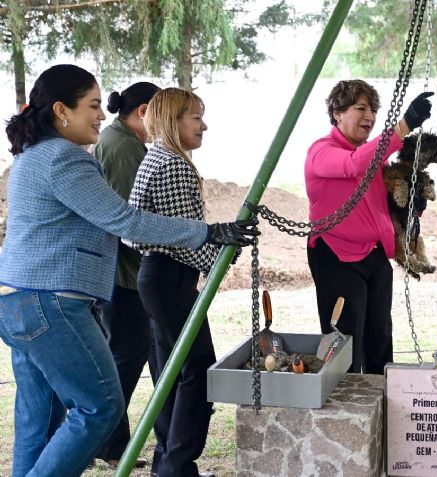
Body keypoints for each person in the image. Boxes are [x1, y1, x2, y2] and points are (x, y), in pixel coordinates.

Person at [0, 65, 257, 477]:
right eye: (93, 106)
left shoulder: (30, 156)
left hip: (17, 301)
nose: (102, 114)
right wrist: (207, 233)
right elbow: (124, 220)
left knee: (38, 418)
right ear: (62, 111)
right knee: (100, 408)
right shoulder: (65, 159)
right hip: (53, 304)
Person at [127, 87, 236, 477]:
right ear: (172, 121)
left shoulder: (156, 157)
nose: (203, 126)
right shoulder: (173, 165)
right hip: (170, 275)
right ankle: (178, 464)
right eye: (196, 117)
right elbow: (183, 238)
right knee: (196, 368)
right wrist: (222, 253)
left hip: (157, 275)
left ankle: (168, 462)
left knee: (169, 372)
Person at [305, 80, 432, 374]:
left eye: (373, 110)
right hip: (336, 257)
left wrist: (412, 205)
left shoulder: (372, 156)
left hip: (374, 258)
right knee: (345, 348)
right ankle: (346, 403)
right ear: (337, 113)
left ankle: (382, 398)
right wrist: (403, 126)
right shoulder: (320, 151)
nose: (370, 117)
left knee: (380, 342)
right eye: (361, 108)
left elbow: (381, 206)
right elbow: (352, 164)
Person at [91, 81, 160, 470]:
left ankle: (113, 441)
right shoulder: (121, 147)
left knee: (136, 352)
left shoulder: (123, 141)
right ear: (145, 111)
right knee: (126, 354)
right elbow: (128, 219)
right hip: (124, 274)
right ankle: (110, 442)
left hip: (127, 272)